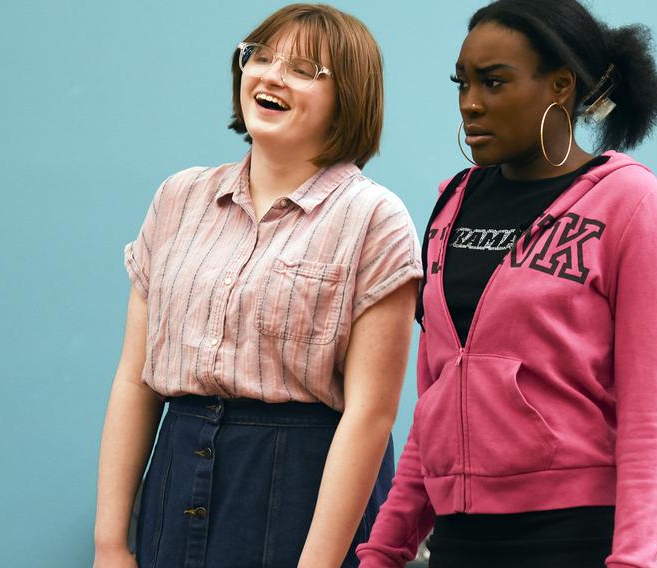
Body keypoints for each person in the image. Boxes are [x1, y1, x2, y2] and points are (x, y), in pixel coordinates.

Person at [93, 4, 422, 567]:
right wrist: (110, 544)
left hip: (304, 486)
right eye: (260, 57)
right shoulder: (179, 198)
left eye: (302, 69)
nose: (269, 76)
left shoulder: (375, 217)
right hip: (177, 473)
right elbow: (134, 378)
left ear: (350, 95)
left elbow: (370, 415)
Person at [357, 1, 657, 567]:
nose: (470, 104)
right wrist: (384, 548)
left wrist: (633, 560)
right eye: (462, 84)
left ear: (559, 86)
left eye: (494, 82)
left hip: (572, 538)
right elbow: (436, 401)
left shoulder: (631, 204)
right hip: (458, 540)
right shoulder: (452, 204)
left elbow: (649, 409)